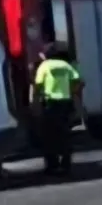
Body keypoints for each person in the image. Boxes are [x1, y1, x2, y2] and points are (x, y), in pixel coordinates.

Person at [33, 44, 83, 175]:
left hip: (50, 104)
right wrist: (72, 94)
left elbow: (38, 86)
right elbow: (79, 82)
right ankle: (66, 164)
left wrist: (35, 104)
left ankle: (52, 165)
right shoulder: (66, 66)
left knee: (48, 137)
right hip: (65, 104)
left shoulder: (44, 66)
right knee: (65, 135)